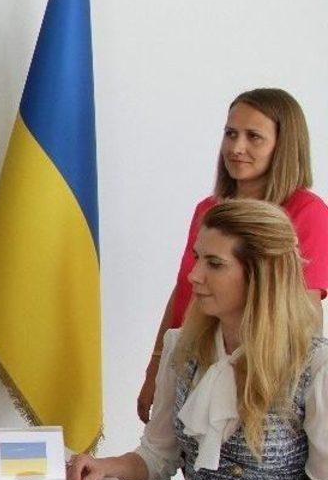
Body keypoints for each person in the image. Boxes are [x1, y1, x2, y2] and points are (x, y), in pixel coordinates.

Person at [70, 200, 328, 480]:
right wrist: (106, 466)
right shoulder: (182, 347)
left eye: (214, 264)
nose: (194, 275)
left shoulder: (315, 366)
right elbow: (158, 456)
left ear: (261, 275)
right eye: (196, 258)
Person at [137, 88, 328, 422]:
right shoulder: (208, 209)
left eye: (254, 137)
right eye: (230, 133)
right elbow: (184, 290)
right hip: (190, 361)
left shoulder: (307, 211)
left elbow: (304, 314)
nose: (236, 147)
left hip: (255, 376)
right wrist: (156, 366)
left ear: (283, 146)